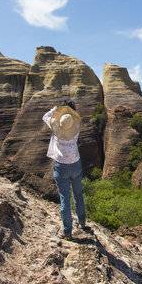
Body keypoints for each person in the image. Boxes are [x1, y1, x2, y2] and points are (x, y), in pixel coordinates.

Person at [42, 99, 91, 239]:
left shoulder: (55, 126)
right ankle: (82, 223)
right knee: (78, 195)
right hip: (75, 164)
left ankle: (67, 232)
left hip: (61, 166)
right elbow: (74, 117)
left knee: (65, 198)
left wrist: (55, 109)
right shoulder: (76, 126)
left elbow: (45, 116)